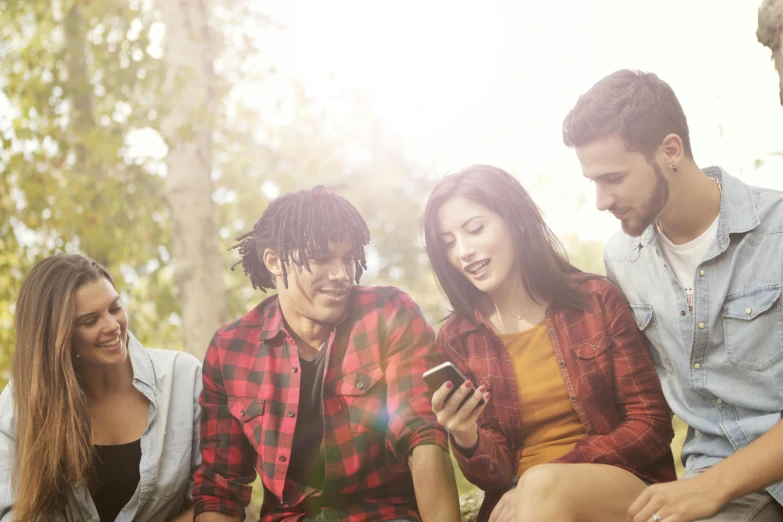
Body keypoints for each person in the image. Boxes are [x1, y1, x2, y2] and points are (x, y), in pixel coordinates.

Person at [562, 68, 783, 522]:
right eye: (594, 183)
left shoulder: (778, 231)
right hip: (713, 484)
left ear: (670, 150)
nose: (602, 200)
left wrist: (710, 489)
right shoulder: (623, 261)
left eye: (614, 178)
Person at [422, 164, 676, 522]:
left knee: (541, 486)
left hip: (619, 486)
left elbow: (650, 424)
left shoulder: (595, 300)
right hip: (519, 503)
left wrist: (541, 478)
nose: (463, 251)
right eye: (448, 243)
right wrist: (465, 435)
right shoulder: (458, 339)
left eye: (475, 229)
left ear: (518, 221)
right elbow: (492, 475)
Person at [192, 185, 460, 522]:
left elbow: (423, 437)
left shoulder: (389, 314)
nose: (341, 274)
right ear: (274, 261)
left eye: (348, 259)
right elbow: (220, 491)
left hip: (383, 515)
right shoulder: (230, 350)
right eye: (320, 258)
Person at [0, 254, 202, 522]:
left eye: (115, 307)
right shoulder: (20, 400)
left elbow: (215, 499)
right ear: (56, 336)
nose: (112, 326)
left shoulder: (184, 377)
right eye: (89, 321)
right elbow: (14, 512)